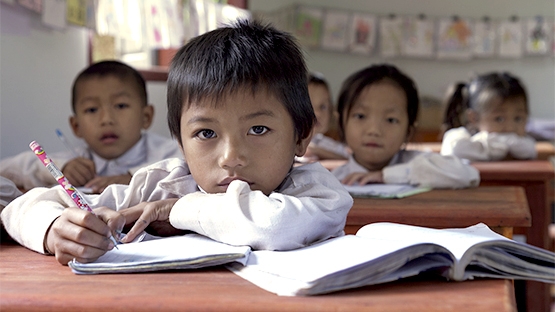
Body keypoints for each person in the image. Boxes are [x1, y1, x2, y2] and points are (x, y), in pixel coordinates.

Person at [1, 20, 353, 265]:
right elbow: (21, 206)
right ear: (180, 142)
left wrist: (175, 210)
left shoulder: (317, 191)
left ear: (301, 136)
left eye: (258, 130)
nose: (231, 158)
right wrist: (55, 230)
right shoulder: (165, 183)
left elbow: (274, 225)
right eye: (206, 134)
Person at [0, 60, 182, 193]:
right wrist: (61, 169)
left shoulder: (169, 152)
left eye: (120, 106)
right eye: (92, 109)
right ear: (76, 126)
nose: (106, 119)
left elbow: (189, 167)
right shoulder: (76, 160)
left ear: (146, 117)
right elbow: (7, 168)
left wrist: (137, 178)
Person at [332, 64, 479, 188]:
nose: (374, 131)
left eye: (390, 120)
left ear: (409, 131)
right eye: (360, 116)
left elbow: (468, 174)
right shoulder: (333, 180)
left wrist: (387, 176)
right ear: (341, 123)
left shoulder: (418, 163)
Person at [440, 72, 537, 161]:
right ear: (474, 118)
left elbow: (529, 149)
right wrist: (502, 147)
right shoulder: (457, 136)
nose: (510, 127)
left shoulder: (523, 142)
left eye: (518, 118)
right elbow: (456, 150)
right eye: (499, 119)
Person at [298, 72, 350, 162]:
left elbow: (350, 162)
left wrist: (317, 151)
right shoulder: (289, 144)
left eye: (323, 107)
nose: (317, 113)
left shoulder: (331, 145)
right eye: (310, 105)